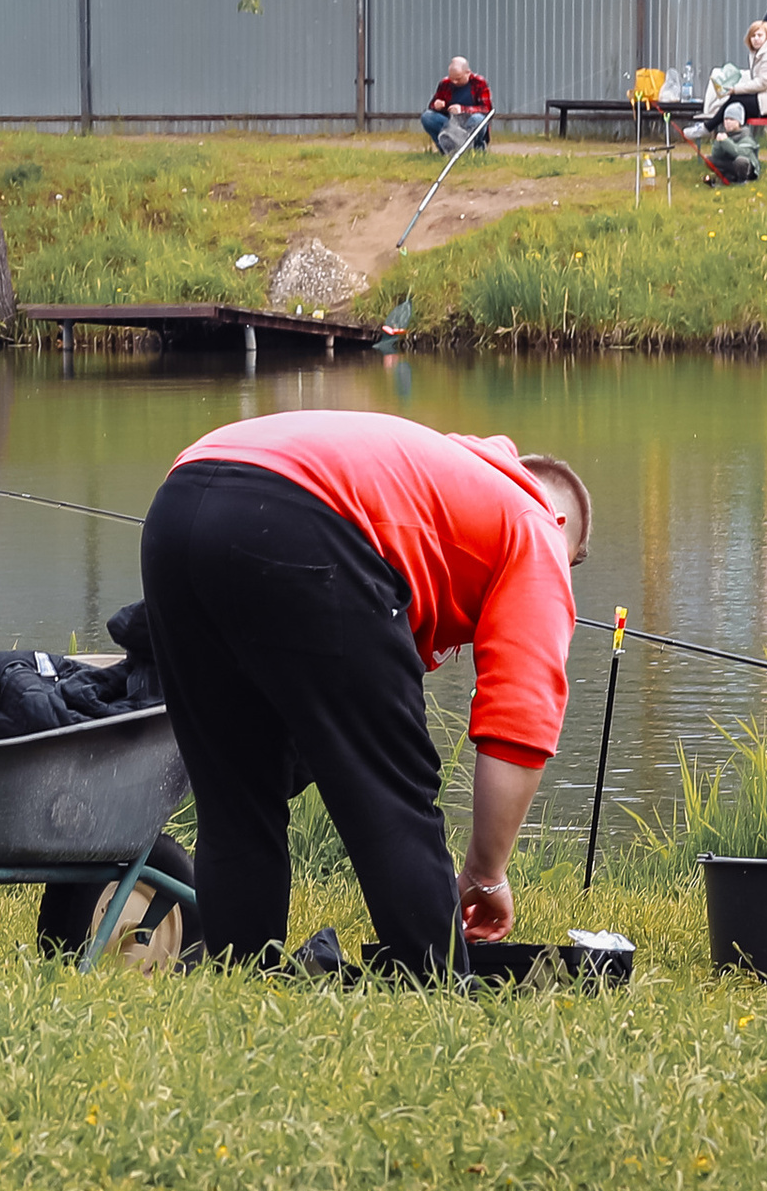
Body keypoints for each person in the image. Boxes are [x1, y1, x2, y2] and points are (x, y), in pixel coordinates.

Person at [136, 410, 590, 977]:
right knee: (392, 788)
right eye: (569, 566)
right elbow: (518, 727)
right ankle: (438, 985)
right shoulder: (537, 527)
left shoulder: (432, 476)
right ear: (561, 523)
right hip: (297, 516)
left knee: (236, 789)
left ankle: (243, 978)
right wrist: (484, 872)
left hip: (179, 506)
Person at [686, 19, 767, 142]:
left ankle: (709, 129)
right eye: (753, 36)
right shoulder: (760, 54)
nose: (756, 39)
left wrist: (735, 89)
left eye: (760, 35)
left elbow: (762, 83)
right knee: (737, 107)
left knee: (736, 99)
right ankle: (735, 144)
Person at [420, 56, 493, 155]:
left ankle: (475, 149)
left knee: (478, 119)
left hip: (470, 122)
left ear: (468, 72)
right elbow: (432, 106)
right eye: (452, 78)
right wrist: (437, 105)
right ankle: (447, 149)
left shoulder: (479, 83)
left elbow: (487, 109)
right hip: (450, 123)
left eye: (458, 79)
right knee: (427, 116)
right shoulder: (445, 83)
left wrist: (462, 109)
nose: (454, 82)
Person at [704, 99, 761, 186]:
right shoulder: (724, 134)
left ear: (739, 122)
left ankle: (742, 180)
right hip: (730, 163)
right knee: (709, 160)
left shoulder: (746, 136)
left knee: (741, 161)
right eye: (726, 119)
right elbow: (716, 155)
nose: (727, 122)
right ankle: (728, 176)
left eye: (731, 119)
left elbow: (738, 152)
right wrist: (718, 143)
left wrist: (725, 141)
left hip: (747, 168)